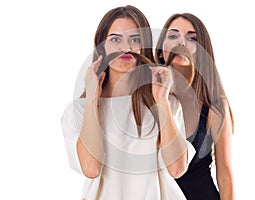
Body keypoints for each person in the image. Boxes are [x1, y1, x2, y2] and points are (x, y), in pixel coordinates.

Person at [61, 5, 195, 200]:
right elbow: (90, 168)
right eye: (115, 39)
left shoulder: (166, 102)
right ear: (101, 46)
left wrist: (161, 101)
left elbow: (176, 168)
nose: (125, 48)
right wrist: (92, 98)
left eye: (135, 39)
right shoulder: (79, 109)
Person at [155, 13, 235, 200]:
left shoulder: (214, 104)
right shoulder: (144, 97)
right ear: (160, 50)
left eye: (192, 38)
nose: (181, 43)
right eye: (173, 36)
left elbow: (225, 177)